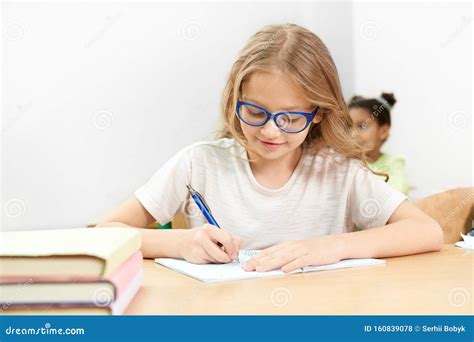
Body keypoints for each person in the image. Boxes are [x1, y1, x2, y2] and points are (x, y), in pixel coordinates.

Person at [97, 24, 442, 273]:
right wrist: (181, 243)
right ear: (235, 99)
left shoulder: (337, 171)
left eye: (290, 118)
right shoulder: (198, 163)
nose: (269, 130)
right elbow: (105, 233)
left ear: (318, 113)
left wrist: (330, 247)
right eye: (255, 111)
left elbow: (427, 231)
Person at [348, 93, 411, 195]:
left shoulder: (394, 163)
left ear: (383, 131)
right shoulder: (346, 163)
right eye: (348, 127)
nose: (352, 133)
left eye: (361, 126)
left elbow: (399, 191)